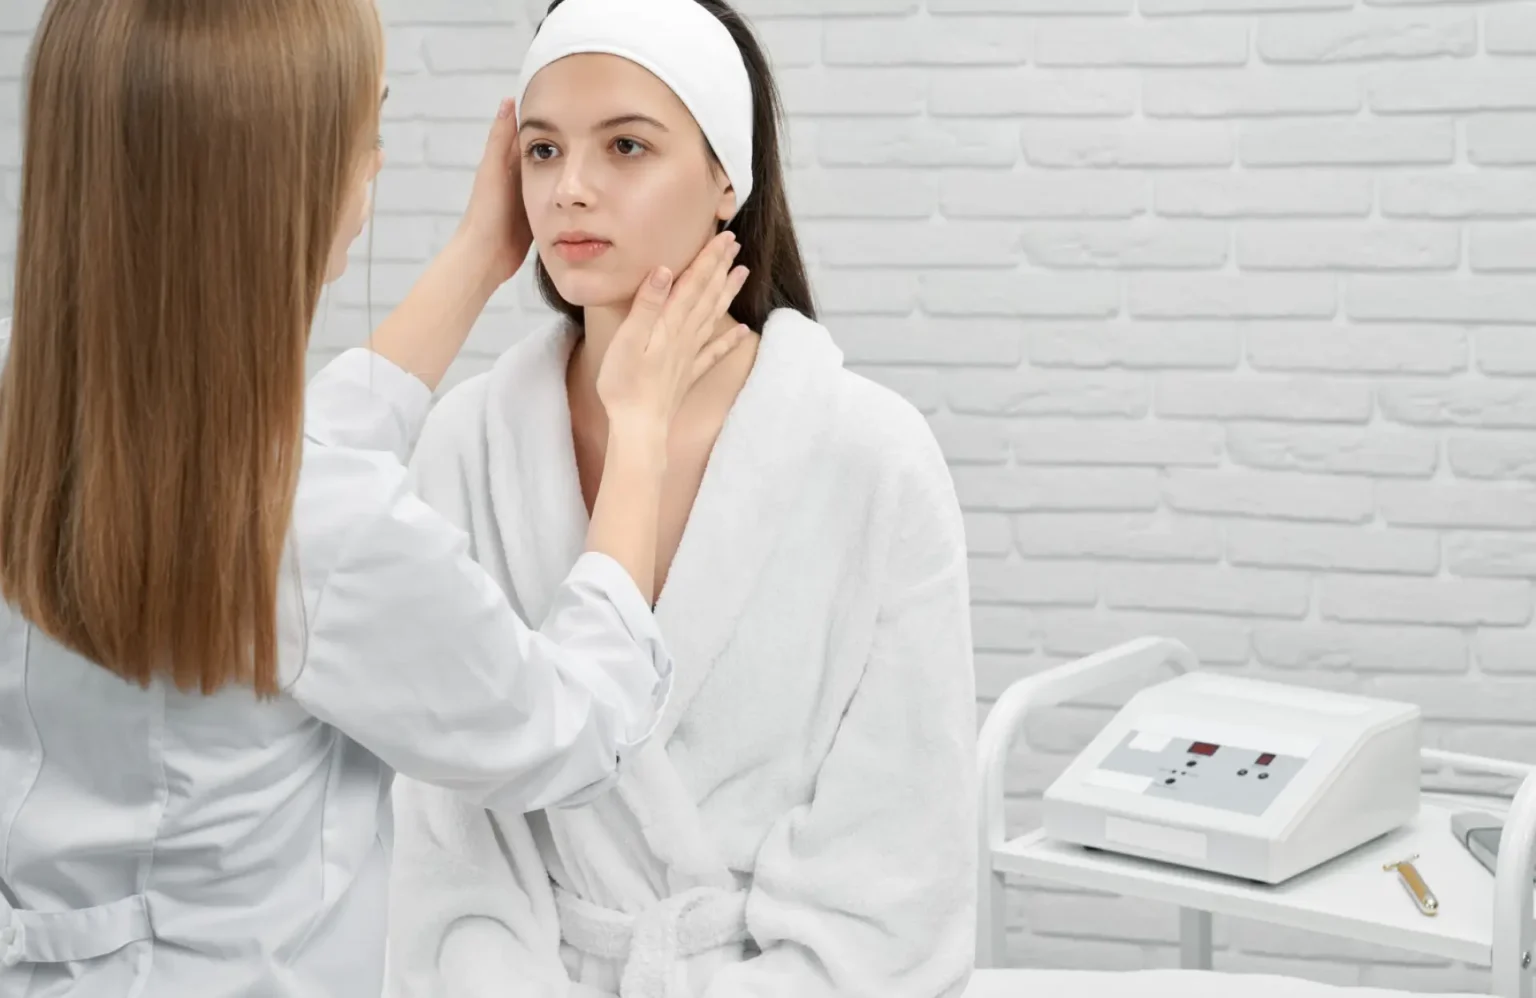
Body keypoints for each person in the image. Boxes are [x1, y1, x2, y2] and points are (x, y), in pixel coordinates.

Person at [0, 1, 750, 995]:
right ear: (277, 189)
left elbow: (274, 462)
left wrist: (481, 258)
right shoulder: (308, 524)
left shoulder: (37, 407)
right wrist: (642, 430)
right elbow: (573, 722)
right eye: (366, 136)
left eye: (624, 146)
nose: (378, 168)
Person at [383, 0, 979, 996]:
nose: (570, 189)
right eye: (541, 150)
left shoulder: (871, 456)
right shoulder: (466, 449)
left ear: (724, 180)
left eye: (625, 145)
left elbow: (896, 875)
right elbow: (447, 854)